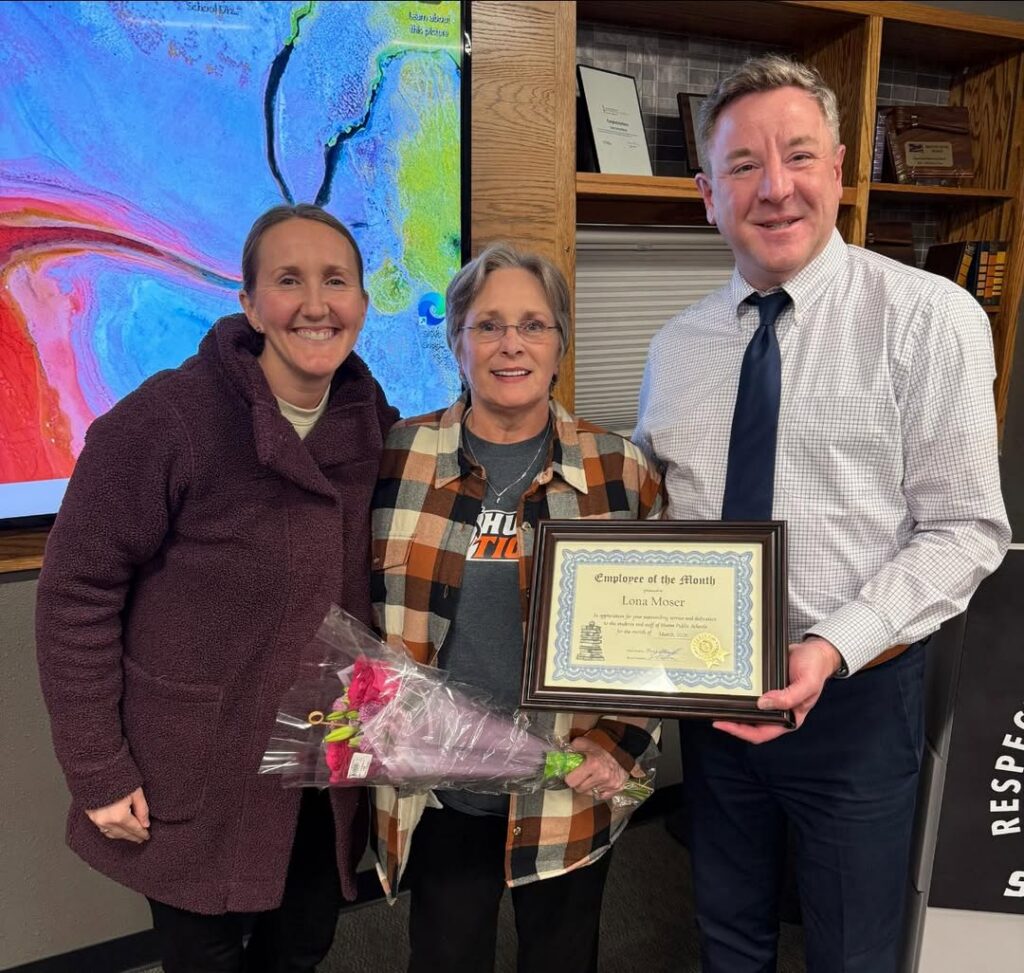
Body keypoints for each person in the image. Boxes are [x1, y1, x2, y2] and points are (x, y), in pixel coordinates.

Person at [634, 55, 1010, 973]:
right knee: (726, 926)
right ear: (707, 195)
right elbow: (657, 506)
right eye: (742, 167)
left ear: (838, 170)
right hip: (712, 703)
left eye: (799, 156)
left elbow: (968, 528)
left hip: (855, 698)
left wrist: (832, 645)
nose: (776, 188)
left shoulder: (931, 318)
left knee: (852, 947)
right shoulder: (676, 346)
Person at [36, 203, 398, 973]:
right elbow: (76, 595)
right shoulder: (166, 421)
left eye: (336, 281)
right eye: (288, 279)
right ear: (248, 302)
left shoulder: (377, 427)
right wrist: (98, 768)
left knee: (303, 942)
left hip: (319, 767)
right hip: (193, 761)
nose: (314, 303)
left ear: (363, 306)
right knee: (203, 960)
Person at [370, 243, 663, 973]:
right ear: (456, 342)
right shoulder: (398, 457)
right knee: (443, 958)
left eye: (533, 325)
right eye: (488, 325)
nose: (511, 345)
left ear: (561, 343)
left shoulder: (619, 471)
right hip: (442, 792)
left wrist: (620, 742)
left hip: (569, 784)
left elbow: (664, 634)